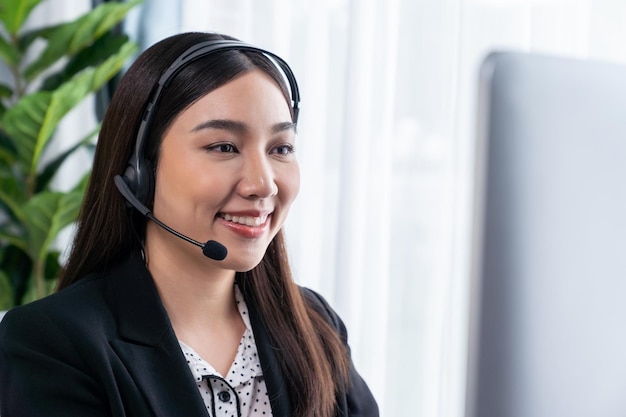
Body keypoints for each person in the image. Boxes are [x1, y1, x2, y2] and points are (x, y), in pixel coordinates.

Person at [0, 32, 378, 417]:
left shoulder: (314, 326)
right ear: (139, 172)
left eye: (280, 149)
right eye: (223, 147)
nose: (263, 183)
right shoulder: (51, 344)